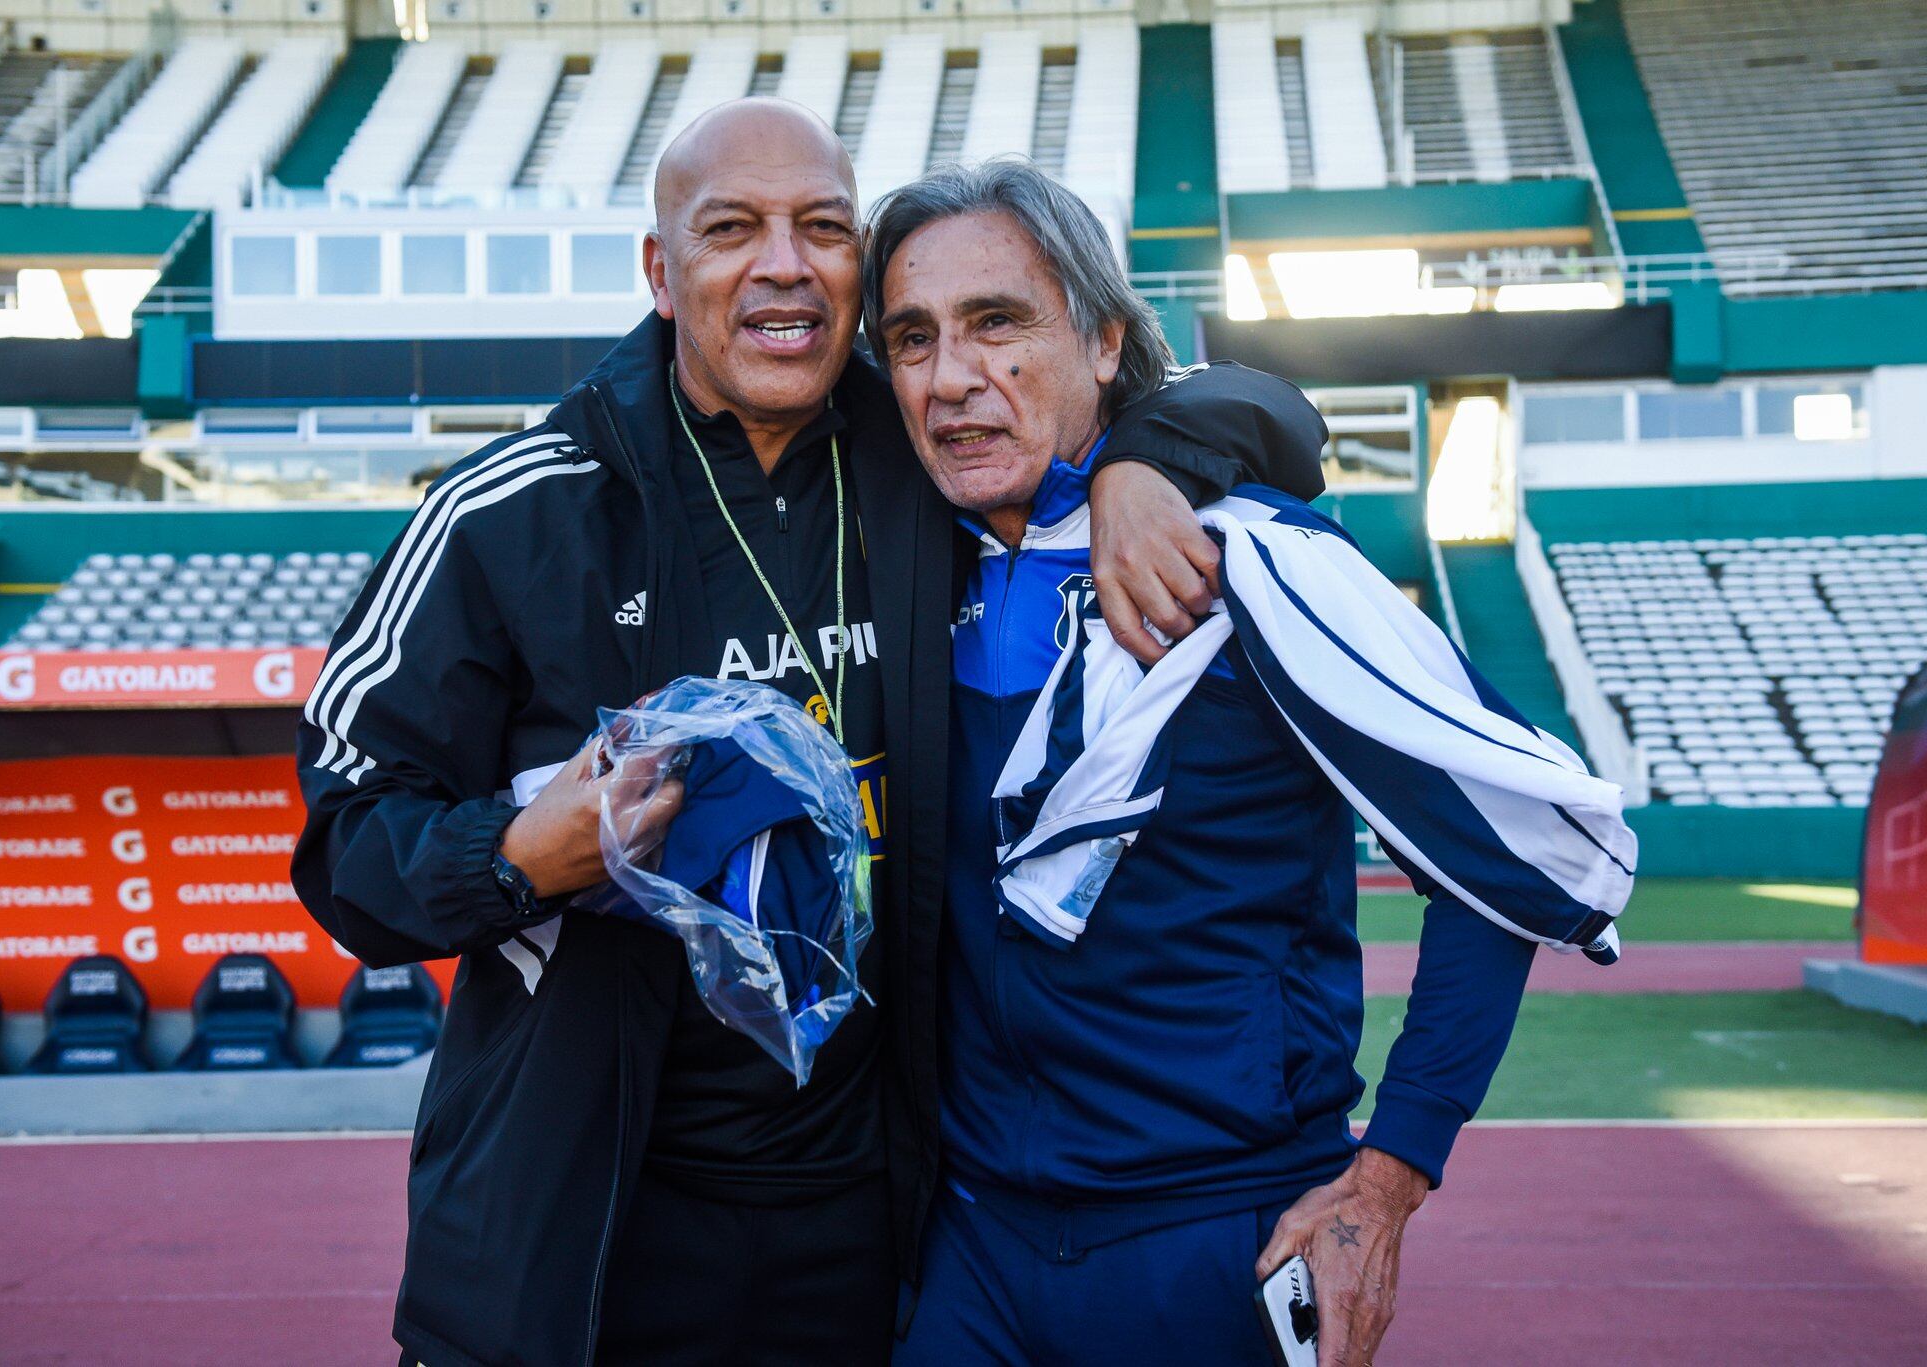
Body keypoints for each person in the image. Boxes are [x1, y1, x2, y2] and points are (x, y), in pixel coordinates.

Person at [291, 102, 1317, 1367]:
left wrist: (1141, 462)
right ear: (663, 274)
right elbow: (343, 841)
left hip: (869, 1228)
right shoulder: (516, 513)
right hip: (583, 1239)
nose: (784, 262)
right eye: (732, 229)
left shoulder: (921, 451)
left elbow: (1252, 398)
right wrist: (512, 853)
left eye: (822, 228)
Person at [863, 159, 1636, 1367]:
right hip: (965, 1247)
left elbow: (1511, 846)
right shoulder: (898, 573)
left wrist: (1389, 1175)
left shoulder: (1259, 564)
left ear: (1104, 339)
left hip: (1214, 1242)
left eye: (998, 323)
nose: (952, 376)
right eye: (912, 339)